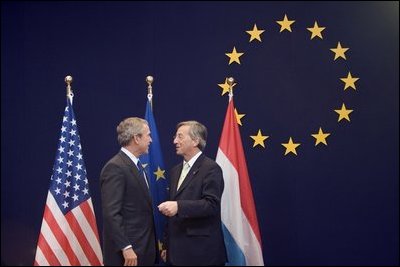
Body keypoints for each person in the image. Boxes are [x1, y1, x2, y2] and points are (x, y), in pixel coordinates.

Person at [158, 120, 227, 266]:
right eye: (175, 137)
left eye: (180, 136)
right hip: (176, 251)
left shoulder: (211, 169)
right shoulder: (175, 171)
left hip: (201, 254)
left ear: (195, 141)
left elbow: (211, 204)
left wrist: (179, 207)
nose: (175, 141)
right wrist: (166, 245)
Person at [100, 117, 156, 266]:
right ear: (136, 138)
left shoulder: (136, 166)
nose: (150, 140)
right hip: (127, 255)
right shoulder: (115, 167)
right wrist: (126, 247)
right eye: (148, 135)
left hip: (143, 250)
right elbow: (111, 213)